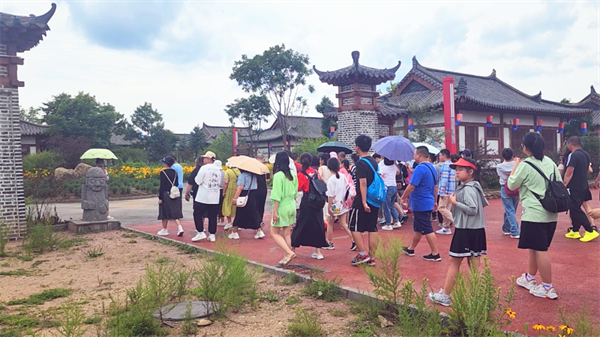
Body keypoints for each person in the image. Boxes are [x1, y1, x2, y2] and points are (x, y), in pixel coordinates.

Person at [429, 158, 488, 306]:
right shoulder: (475, 186)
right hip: (476, 229)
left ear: (470, 171)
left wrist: (455, 203)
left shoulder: (468, 188)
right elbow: (483, 204)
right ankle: (478, 297)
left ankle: (445, 296)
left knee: (454, 262)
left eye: (460, 169)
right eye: (456, 169)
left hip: (465, 230)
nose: (457, 172)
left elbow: (473, 209)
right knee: (474, 263)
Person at [507, 132, 559, 299]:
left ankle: (547, 287)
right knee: (534, 248)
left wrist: (515, 166)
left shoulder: (526, 165)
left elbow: (511, 184)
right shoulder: (550, 162)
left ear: (525, 147)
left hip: (533, 213)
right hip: (551, 212)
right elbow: (558, 182)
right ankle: (530, 278)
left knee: (540, 250)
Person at [400, 146, 441, 262]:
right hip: (427, 201)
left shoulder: (419, 169)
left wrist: (403, 197)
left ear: (419, 155)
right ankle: (411, 249)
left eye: (414, 154)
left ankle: (435, 253)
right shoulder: (431, 167)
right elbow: (435, 186)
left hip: (421, 202)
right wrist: (434, 201)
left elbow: (412, 185)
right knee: (418, 228)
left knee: (427, 228)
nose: (413, 156)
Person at [348, 135, 380, 266]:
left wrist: (363, 201)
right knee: (372, 228)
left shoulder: (361, 163)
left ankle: (362, 254)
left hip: (363, 198)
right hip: (375, 198)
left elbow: (362, 183)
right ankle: (371, 257)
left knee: (353, 226)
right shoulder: (374, 161)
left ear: (357, 147)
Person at [291, 153, 328, 258]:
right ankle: (318, 252)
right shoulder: (316, 172)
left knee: (301, 224)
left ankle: (293, 249)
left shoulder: (301, 174)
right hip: (318, 201)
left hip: (307, 201)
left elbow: (298, 188)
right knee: (318, 225)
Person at [563, 136, 599, 242]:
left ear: (570, 143)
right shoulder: (585, 154)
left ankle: (589, 230)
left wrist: (564, 184)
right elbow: (589, 169)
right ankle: (575, 230)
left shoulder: (573, 155)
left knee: (575, 209)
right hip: (583, 185)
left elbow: (569, 171)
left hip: (574, 186)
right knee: (575, 207)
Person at [270, 152, 298, 265]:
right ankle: (287, 256)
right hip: (291, 204)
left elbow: (277, 195)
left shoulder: (278, 175)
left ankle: (288, 252)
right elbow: (295, 192)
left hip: (282, 206)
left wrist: (274, 211)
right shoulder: (292, 174)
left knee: (274, 232)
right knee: (287, 233)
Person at [325, 158, 354, 253]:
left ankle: (329, 242)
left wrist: (329, 207)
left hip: (334, 204)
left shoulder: (331, 180)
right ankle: (354, 239)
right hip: (343, 203)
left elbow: (330, 195)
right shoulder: (343, 176)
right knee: (343, 224)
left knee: (330, 223)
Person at [192, 151, 221, 242]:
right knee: (212, 216)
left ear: (208, 159)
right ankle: (212, 234)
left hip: (203, 196)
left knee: (197, 214)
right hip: (215, 197)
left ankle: (200, 232)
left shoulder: (204, 168)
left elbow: (197, 181)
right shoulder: (218, 169)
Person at [230, 167, 265, 240]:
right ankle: (259, 231)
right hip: (253, 195)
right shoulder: (253, 175)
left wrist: (235, 198)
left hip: (244, 194)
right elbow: (257, 186)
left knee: (239, 213)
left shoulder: (242, 176)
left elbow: (240, 187)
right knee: (254, 213)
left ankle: (234, 232)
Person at [157, 156, 184, 236]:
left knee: (164, 212)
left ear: (166, 163)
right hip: (174, 193)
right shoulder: (174, 172)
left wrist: (160, 197)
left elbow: (162, 186)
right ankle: (179, 227)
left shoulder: (163, 172)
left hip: (166, 194)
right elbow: (175, 183)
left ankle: (164, 229)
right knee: (174, 211)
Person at [496, 148, 520, 238]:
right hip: (516, 187)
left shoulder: (500, 166)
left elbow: (501, 176)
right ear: (512, 156)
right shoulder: (517, 164)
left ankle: (514, 231)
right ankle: (506, 228)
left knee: (509, 210)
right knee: (512, 209)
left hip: (505, 187)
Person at [379, 157, 401, 231]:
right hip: (394, 187)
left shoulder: (383, 168)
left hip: (387, 188)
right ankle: (396, 221)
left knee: (386, 206)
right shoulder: (394, 167)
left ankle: (388, 224)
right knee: (391, 205)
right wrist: (395, 163)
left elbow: (380, 177)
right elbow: (398, 172)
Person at [436, 149, 455, 235]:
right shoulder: (452, 165)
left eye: (440, 155)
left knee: (441, 208)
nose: (439, 157)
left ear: (444, 155)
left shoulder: (445, 165)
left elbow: (444, 179)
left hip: (446, 191)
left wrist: (442, 191)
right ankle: (446, 227)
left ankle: (456, 220)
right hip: (451, 190)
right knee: (447, 208)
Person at [185, 157, 203, 236]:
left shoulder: (195, 171)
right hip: (206, 193)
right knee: (204, 211)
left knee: (197, 210)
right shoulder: (206, 170)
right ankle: (202, 225)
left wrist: (186, 193)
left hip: (197, 192)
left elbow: (190, 183)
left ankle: (199, 227)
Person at [222, 162, 240, 229]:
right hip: (237, 189)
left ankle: (229, 222)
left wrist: (224, 191)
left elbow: (226, 182)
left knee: (227, 205)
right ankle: (236, 222)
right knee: (235, 206)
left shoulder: (228, 171)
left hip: (229, 189)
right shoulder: (238, 171)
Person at [255, 153, 269, 228]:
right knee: (261, 205)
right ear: (262, 159)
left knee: (255, 206)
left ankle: (256, 221)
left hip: (255, 189)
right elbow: (268, 179)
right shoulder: (265, 167)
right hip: (263, 188)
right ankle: (260, 220)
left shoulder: (253, 167)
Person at [214, 160, 226, 225]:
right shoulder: (224, 172)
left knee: (215, 205)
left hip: (215, 190)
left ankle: (216, 219)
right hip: (222, 190)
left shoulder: (214, 172)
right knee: (221, 205)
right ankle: (222, 220)